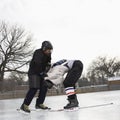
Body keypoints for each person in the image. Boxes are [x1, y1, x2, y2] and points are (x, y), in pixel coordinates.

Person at [20, 40, 53, 113]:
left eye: (50, 50)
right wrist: (41, 72)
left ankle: (39, 104)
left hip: (41, 73)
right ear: (44, 48)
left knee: (44, 86)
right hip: (34, 72)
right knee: (34, 87)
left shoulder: (48, 54)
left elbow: (48, 62)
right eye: (48, 50)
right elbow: (37, 63)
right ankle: (25, 105)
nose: (49, 51)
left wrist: (47, 68)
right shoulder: (38, 52)